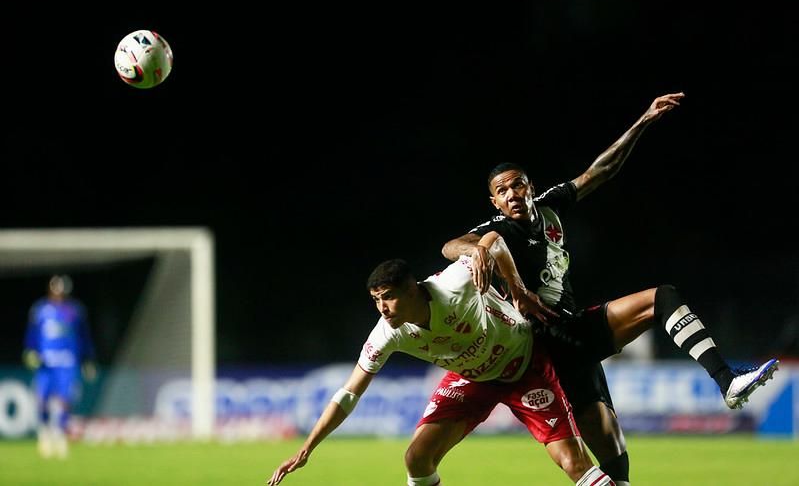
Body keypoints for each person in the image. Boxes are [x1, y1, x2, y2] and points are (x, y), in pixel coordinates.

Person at [441, 92, 779, 486]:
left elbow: (601, 170)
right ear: (495, 202)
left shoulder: (552, 206)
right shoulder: (494, 232)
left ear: (530, 186)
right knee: (603, 463)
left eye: (517, 185)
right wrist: (476, 251)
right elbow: (450, 246)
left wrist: (644, 120)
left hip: (575, 336)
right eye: (502, 191)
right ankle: (726, 382)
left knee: (617, 459)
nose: (512, 193)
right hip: (541, 347)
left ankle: (727, 382)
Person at [268, 234, 615, 485]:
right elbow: (348, 393)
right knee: (416, 459)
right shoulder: (388, 331)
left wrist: (514, 286)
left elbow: (494, 241)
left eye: (388, 298)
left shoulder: (454, 283)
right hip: (472, 379)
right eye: (376, 300)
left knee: (573, 464)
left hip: (524, 365)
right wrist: (306, 449)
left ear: (412, 289)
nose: (382, 309)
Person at [22, 274, 97, 459]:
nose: (58, 293)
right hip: (46, 363)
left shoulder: (75, 310)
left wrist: (88, 359)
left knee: (65, 400)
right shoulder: (40, 309)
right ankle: (45, 434)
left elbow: (83, 336)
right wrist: (30, 350)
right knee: (43, 400)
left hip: (67, 362)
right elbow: (32, 333)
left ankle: (60, 434)